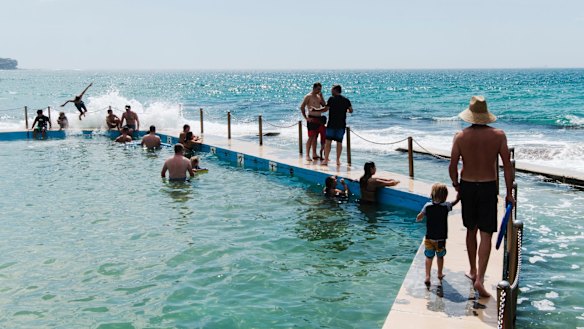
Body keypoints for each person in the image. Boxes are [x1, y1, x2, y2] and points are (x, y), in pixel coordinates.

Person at [448, 95, 515, 298]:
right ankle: (481, 278)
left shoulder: (460, 136)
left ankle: (472, 270)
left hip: (468, 186)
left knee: (471, 230)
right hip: (488, 187)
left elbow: (452, 167)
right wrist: (509, 193)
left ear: (470, 116)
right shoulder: (499, 135)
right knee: (486, 233)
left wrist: (457, 185)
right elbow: (507, 167)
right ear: (486, 115)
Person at [416, 183, 460, 288]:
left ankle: (427, 276)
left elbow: (419, 216)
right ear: (445, 196)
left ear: (432, 194)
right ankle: (439, 274)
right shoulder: (446, 206)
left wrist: (419, 218)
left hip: (429, 238)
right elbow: (454, 203)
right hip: (441, 238)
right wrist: (459, 196)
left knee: (429, 257)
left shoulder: (427, 206)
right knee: (440, 257)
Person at [322, 85, 353, 166]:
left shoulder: (331, 99)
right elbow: (351, 110)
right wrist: (344, 110)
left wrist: (315, 110)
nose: (331, 91)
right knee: (339, 142)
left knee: (328, 142)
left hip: (331, 124)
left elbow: (325, 109)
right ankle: (338, 160)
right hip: (341, 124)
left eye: (332, 90)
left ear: (335, 90)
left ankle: (325, 160)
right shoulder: (346, 100)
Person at [299, 82, 327, 162]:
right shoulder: (308, 96)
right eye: (318, 89)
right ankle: (307, 155)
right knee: (311, 137)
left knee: (316, 137)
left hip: (319, 119)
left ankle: (314, 154)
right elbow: (302, 107)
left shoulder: (319, 96)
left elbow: (324, 106)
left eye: (320, 89)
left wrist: (322, 97)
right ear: (314, 88)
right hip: (311, 118)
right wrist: (306, 118)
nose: (319, 91)